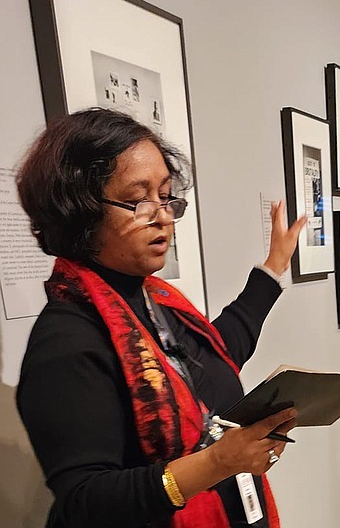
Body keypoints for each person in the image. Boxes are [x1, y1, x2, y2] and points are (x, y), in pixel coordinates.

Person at [16, 107, 307, 528]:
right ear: (81, 211)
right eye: (138, 200)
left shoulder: (154, 299)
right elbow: (84, 502)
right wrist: (217, 463)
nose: (163, 216)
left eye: (166, 196)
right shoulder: (66, 341)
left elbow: (212, 359)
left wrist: (274, 268)